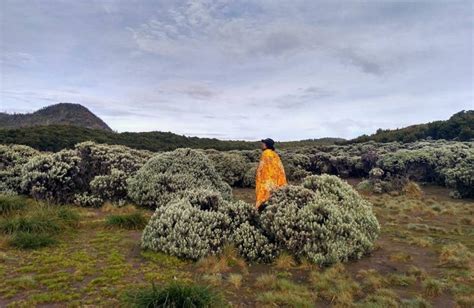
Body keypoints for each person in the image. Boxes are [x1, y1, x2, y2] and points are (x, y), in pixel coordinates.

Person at [255, 138, 287, 209]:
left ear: (267, 145)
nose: (262, 145)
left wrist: (258, 175)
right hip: (275, 178)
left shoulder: (265, 153)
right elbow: (280, 167)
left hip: (266, 179)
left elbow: (262, 167)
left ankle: (261, 208)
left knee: (264, 196)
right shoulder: (274, 154)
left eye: (263, 143)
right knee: (273, 196)